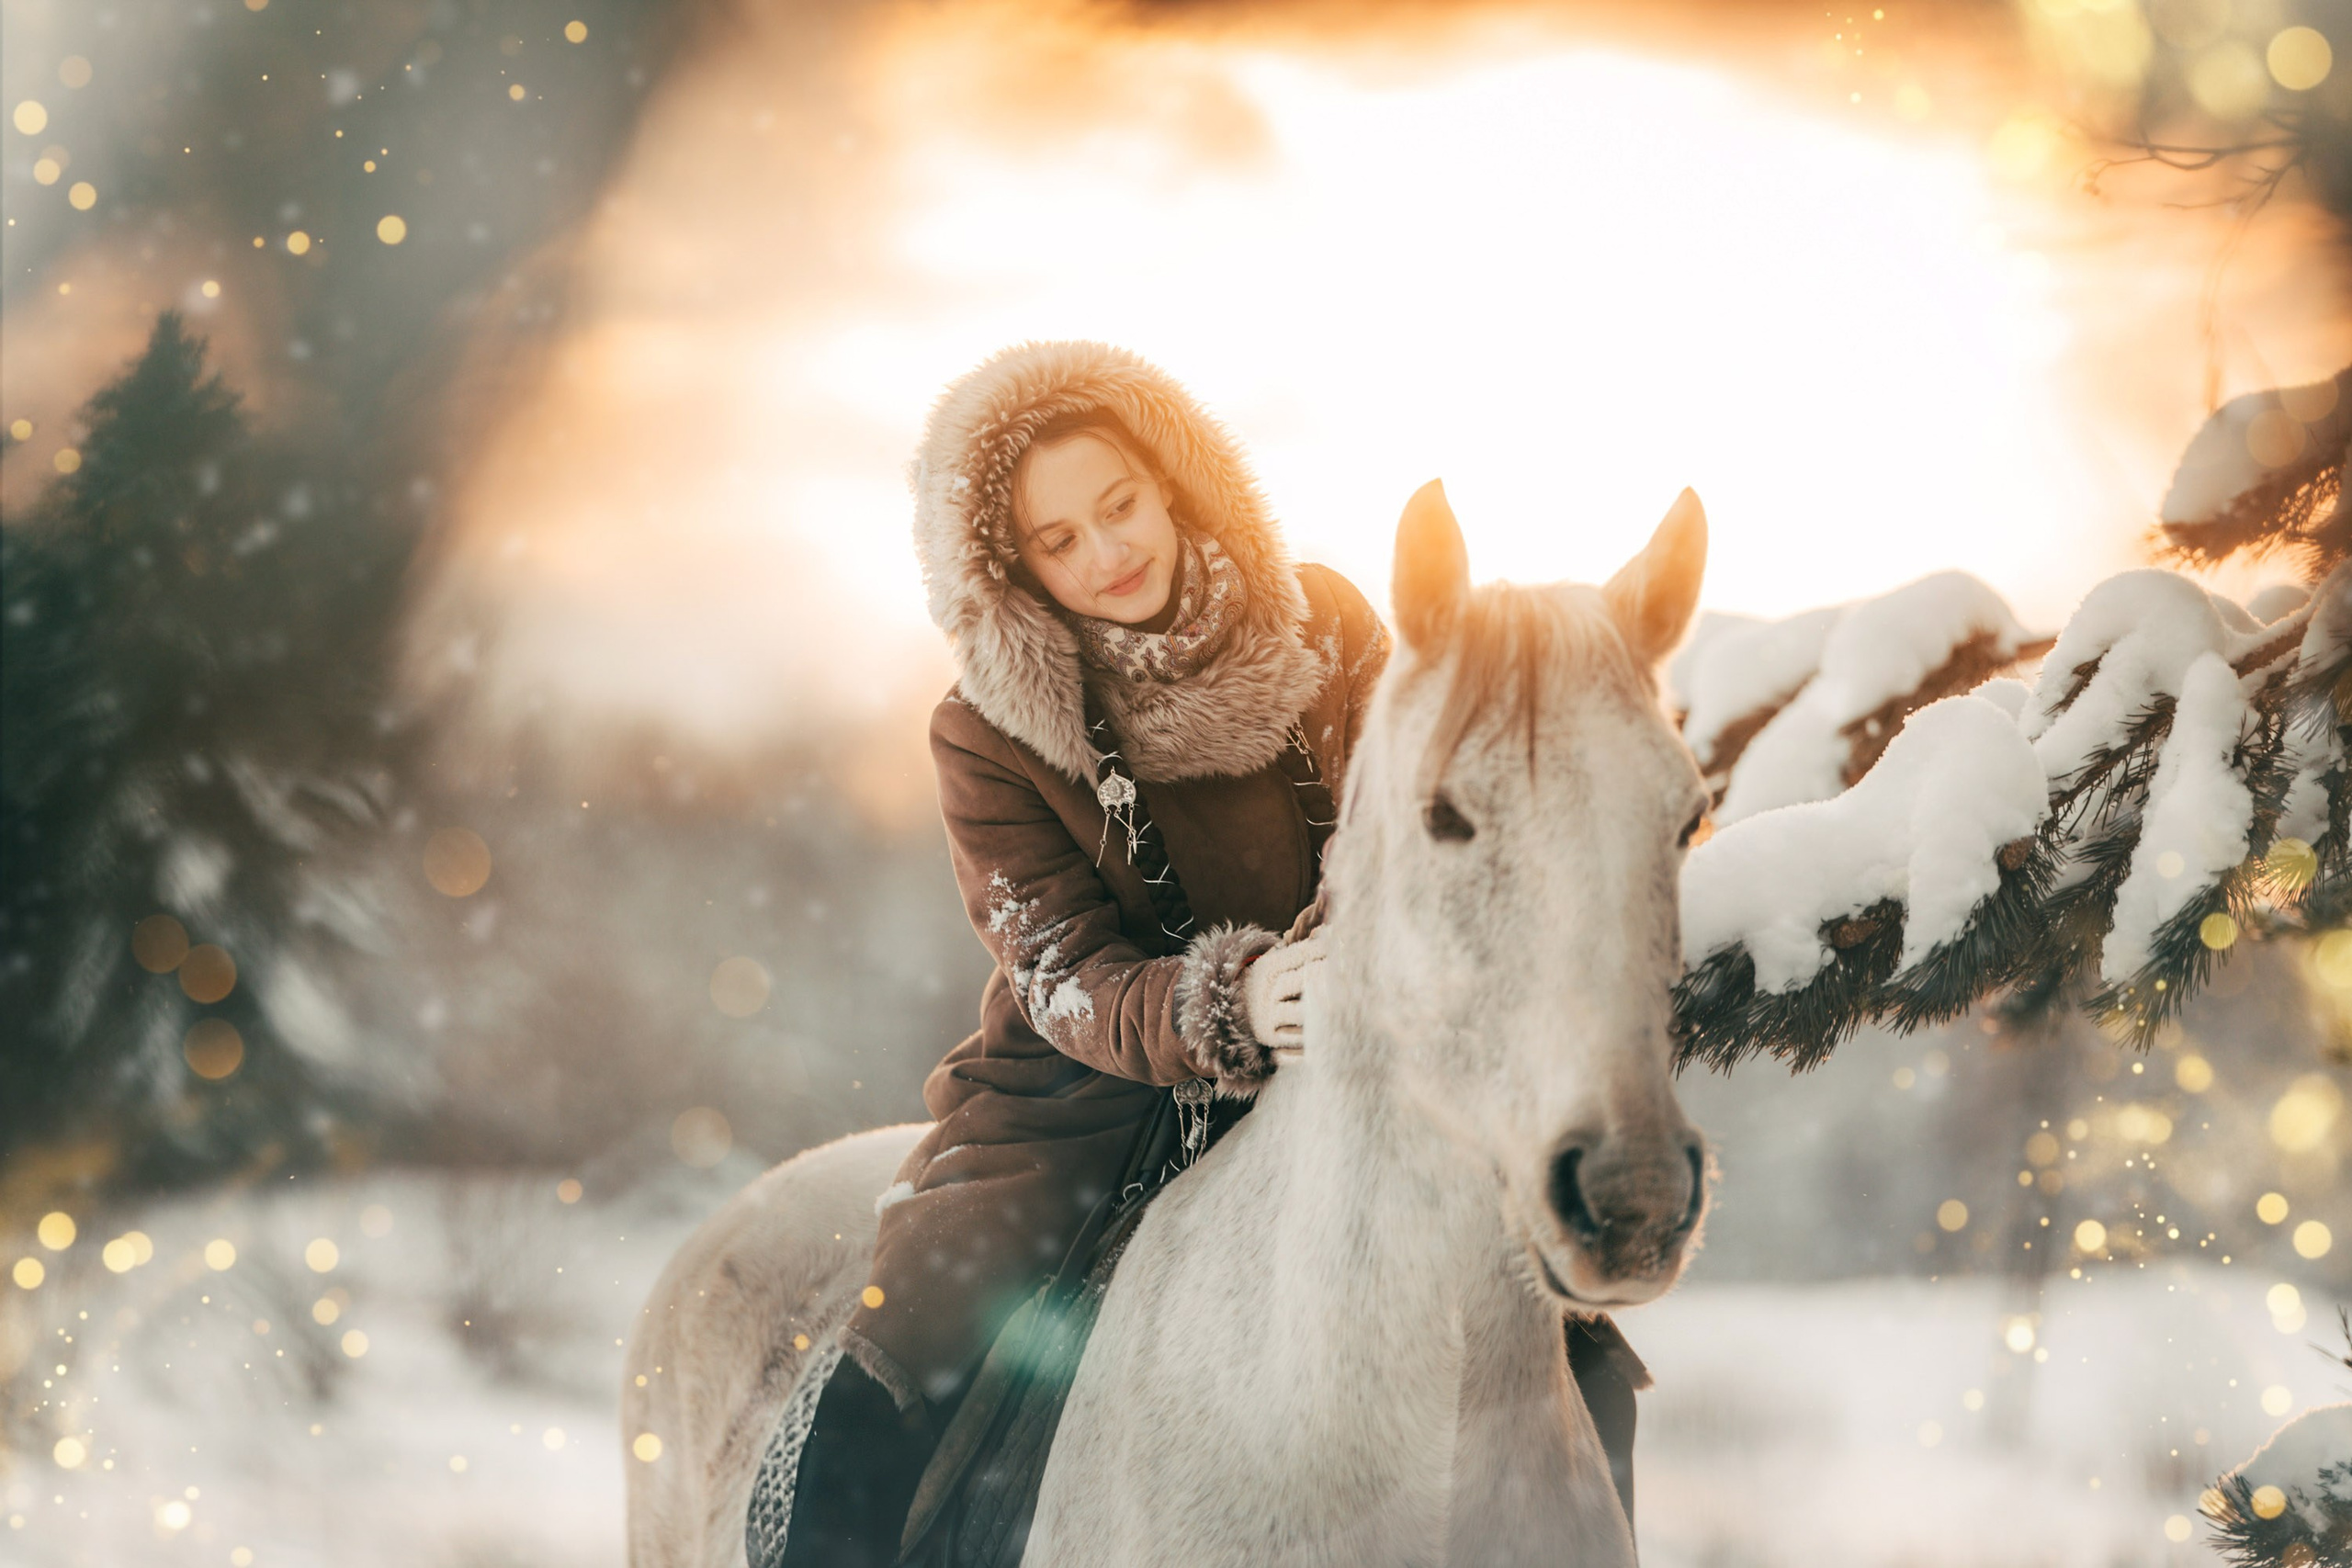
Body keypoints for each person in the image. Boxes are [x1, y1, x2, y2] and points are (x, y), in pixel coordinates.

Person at [761, 342, 1644, 1567]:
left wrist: (1335, 965)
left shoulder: (1329, 623)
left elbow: (1404, 821)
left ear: (1174, 481)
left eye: (1118, 505)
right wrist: (1222, 1002)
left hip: (1350, 1049)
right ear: (1013, 569)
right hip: (1093, 1100)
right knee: (920, 1338)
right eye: (1058, 542)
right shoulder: (987, 733)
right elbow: (1057, 968)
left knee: (1571, 1339)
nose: (1106, 553)